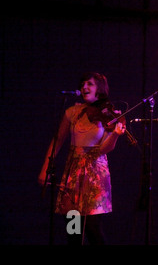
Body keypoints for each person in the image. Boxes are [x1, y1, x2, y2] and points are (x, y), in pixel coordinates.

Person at [38, 72, 126, 245]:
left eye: (90, 84)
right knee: (73, 228)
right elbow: (57, 142)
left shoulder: (107, 113)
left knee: (92, 227)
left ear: (99, 89)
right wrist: (45, 169)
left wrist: (115, 135)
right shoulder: (72, 112)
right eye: (83, 84)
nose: (84, 87)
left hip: (95, 174)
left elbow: (104, 149)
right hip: (73, 172)